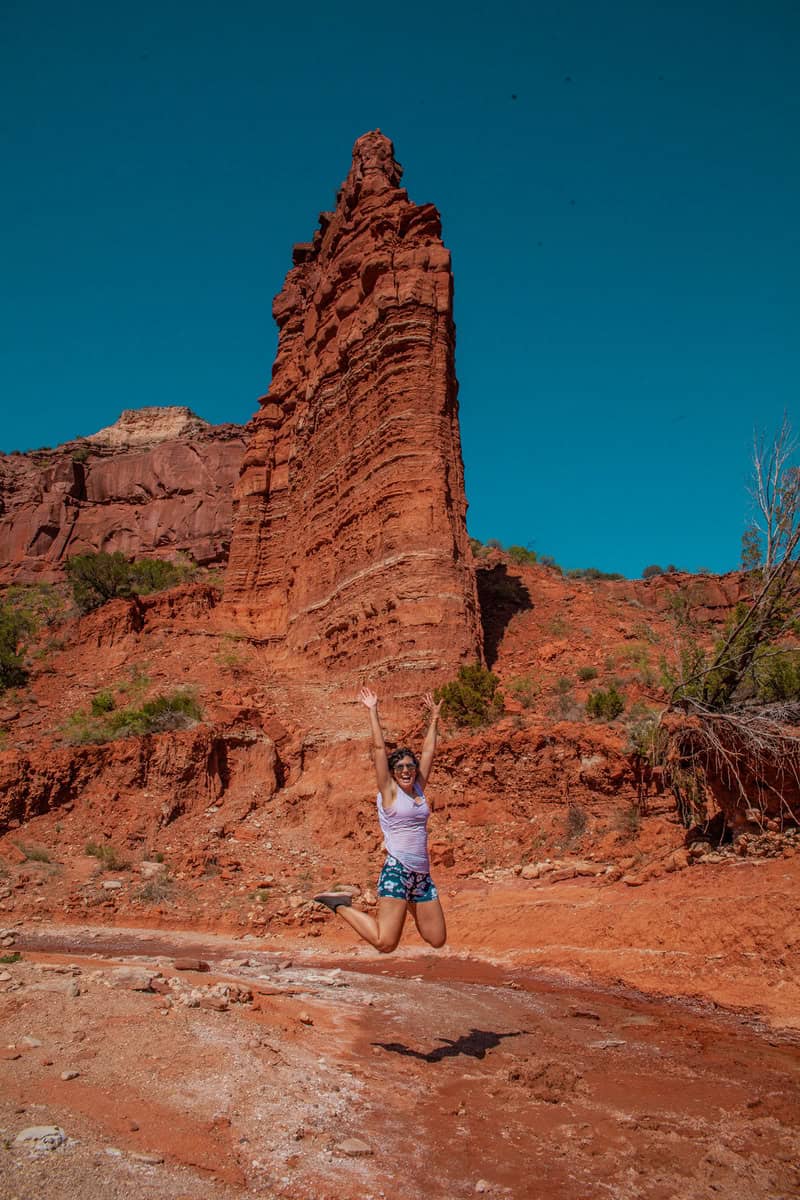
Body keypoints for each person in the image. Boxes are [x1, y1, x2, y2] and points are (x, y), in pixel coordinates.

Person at [313, 686, 447, 954]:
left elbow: (429, 752)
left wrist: (433, 719)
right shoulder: (389, 792)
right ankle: (340, 905)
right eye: (400, 767)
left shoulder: (419, 788)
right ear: (393, 772)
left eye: (410, 765)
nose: (406, 770)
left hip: (421, 876)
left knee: (437, 939)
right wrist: (373, 710)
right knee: (386, 943)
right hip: (397, 871)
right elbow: (378, 748)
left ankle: (408, 902)